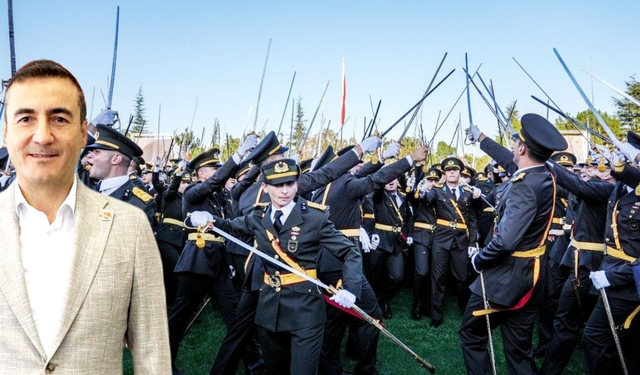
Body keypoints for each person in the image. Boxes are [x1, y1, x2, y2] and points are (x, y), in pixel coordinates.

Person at [0, 59, 170, 373]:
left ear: (82, 135)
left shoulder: (130, 226)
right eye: (26, 118)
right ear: (6, 132)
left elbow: (151, 352)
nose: (42, 135)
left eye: (60, 118)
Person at [197, 158, 364, 375]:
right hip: (269, 309)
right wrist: (208, 219)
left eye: (290, 184)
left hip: (305, 309)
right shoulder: (258, 216)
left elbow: (349, 251)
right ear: (265, 187)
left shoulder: (314, 217)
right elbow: (230, 226)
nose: (285, 191)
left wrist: (350, 287)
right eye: (277, 185)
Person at [459, 114, 567, 375]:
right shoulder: (544, 175)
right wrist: (482, 139)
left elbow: (506, 241)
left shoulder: (523, 187)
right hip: (533, 274)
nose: (512, 147)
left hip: (506, 278)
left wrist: (479, 260)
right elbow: (511, 163)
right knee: (518, 349)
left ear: (522, 148)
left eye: (515, 142)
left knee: (471, 336)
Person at [84, 125, 156, 226]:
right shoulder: (89, 191)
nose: (90, 155)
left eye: (97, 152)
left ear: (116, 159)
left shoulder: (139, 205)